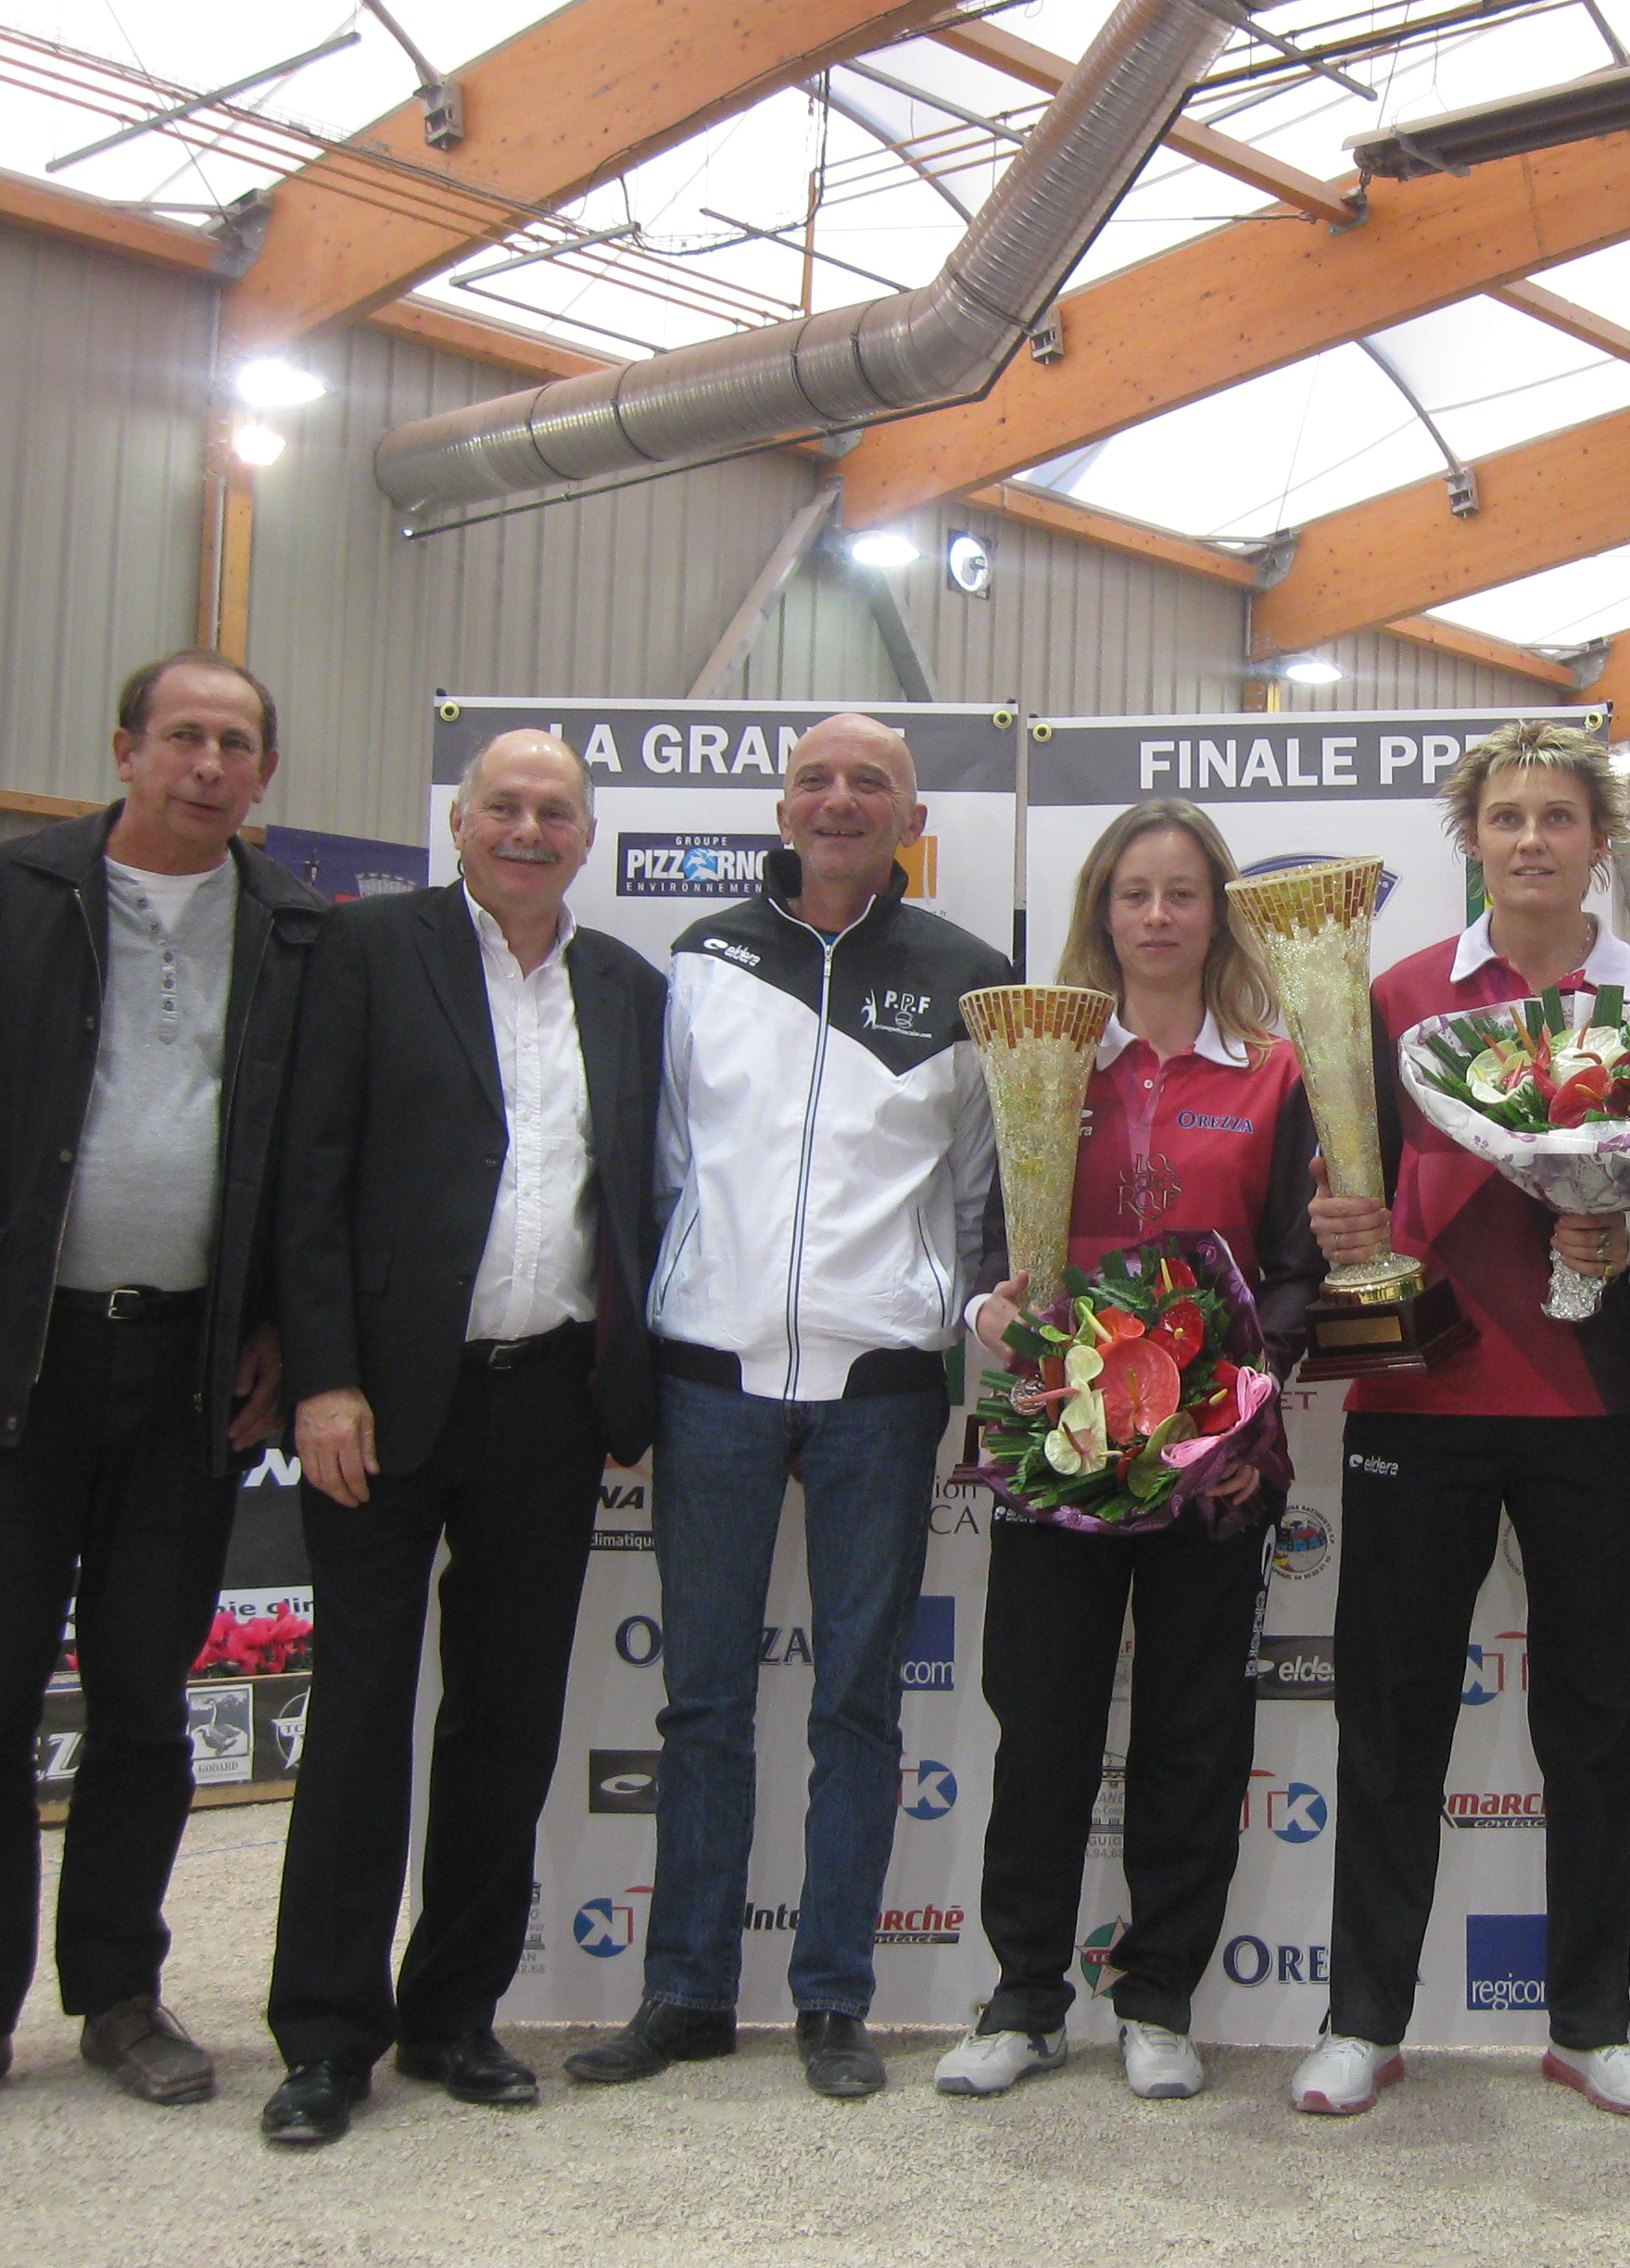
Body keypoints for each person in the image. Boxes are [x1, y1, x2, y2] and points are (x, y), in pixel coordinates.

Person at [0, 649, 322, 2124]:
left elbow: (308, 1156)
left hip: (185, 1370)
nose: (208, 764)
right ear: (125, 749)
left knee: (143, 1704)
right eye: (182, 736)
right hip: (16, 1357)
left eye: (235, 743)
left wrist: (278, 1330)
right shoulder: (3, 895)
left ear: (265, 772)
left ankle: (118, 1993)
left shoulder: (296, 927)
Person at [567, 713, 1008, 2101]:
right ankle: (686, 1991)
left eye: (871, 782)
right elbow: (658, 1168)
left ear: (911, 816)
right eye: (816, 778)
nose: (840, 799)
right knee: (702, 1704)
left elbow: (985, 1194)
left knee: (857, 1710)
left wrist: (952, 1322)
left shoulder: (970, 979)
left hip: (882, 1388)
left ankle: (833, 2000)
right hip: (712, 1379)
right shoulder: (703, 959)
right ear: (782, 806)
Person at [256, 731, 667, 2147]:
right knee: (361, 1715)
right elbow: (307, 1176)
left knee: (506, 1718)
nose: (529, 829)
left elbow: (640, 1201)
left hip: (547, 1400)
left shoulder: (627, 988)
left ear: (588, 837)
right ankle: (326, 2036)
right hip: (378, 1402)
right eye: (506, 805)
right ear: (459, 820)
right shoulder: (370, 953)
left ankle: (453, 2013)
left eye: (557, 811)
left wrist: (628, 1387)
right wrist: (323, 1380)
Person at [1297, 720, 1630, 2120]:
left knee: (1596, 1720)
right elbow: (1340, 1184)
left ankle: (1592, 2021)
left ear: (1601, 841)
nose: (1532, 841)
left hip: (1601, 1405)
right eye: (1507, 817)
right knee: (1394, 1717)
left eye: (1559, 817)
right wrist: (1340, 1223)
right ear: (1470, 838)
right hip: (1423, 1397)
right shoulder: (1397, 993)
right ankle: (1363, 2018)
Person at [938, 800, 1323, 2103]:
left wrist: (1240, 1415)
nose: (1157, 916)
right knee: (1041, 1724)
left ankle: (1158, 1997)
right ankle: (1024, 1998)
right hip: (1055, 1444)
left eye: (1183, 893)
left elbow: (1295, 1271)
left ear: (1219, 915)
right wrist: (989, 1312)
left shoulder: (1276, 1072)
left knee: (1193, 1732)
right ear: (1100, 911)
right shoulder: (1041, 1055)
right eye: (1133, 893)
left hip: (1214, 1466)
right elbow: (981, 1237)